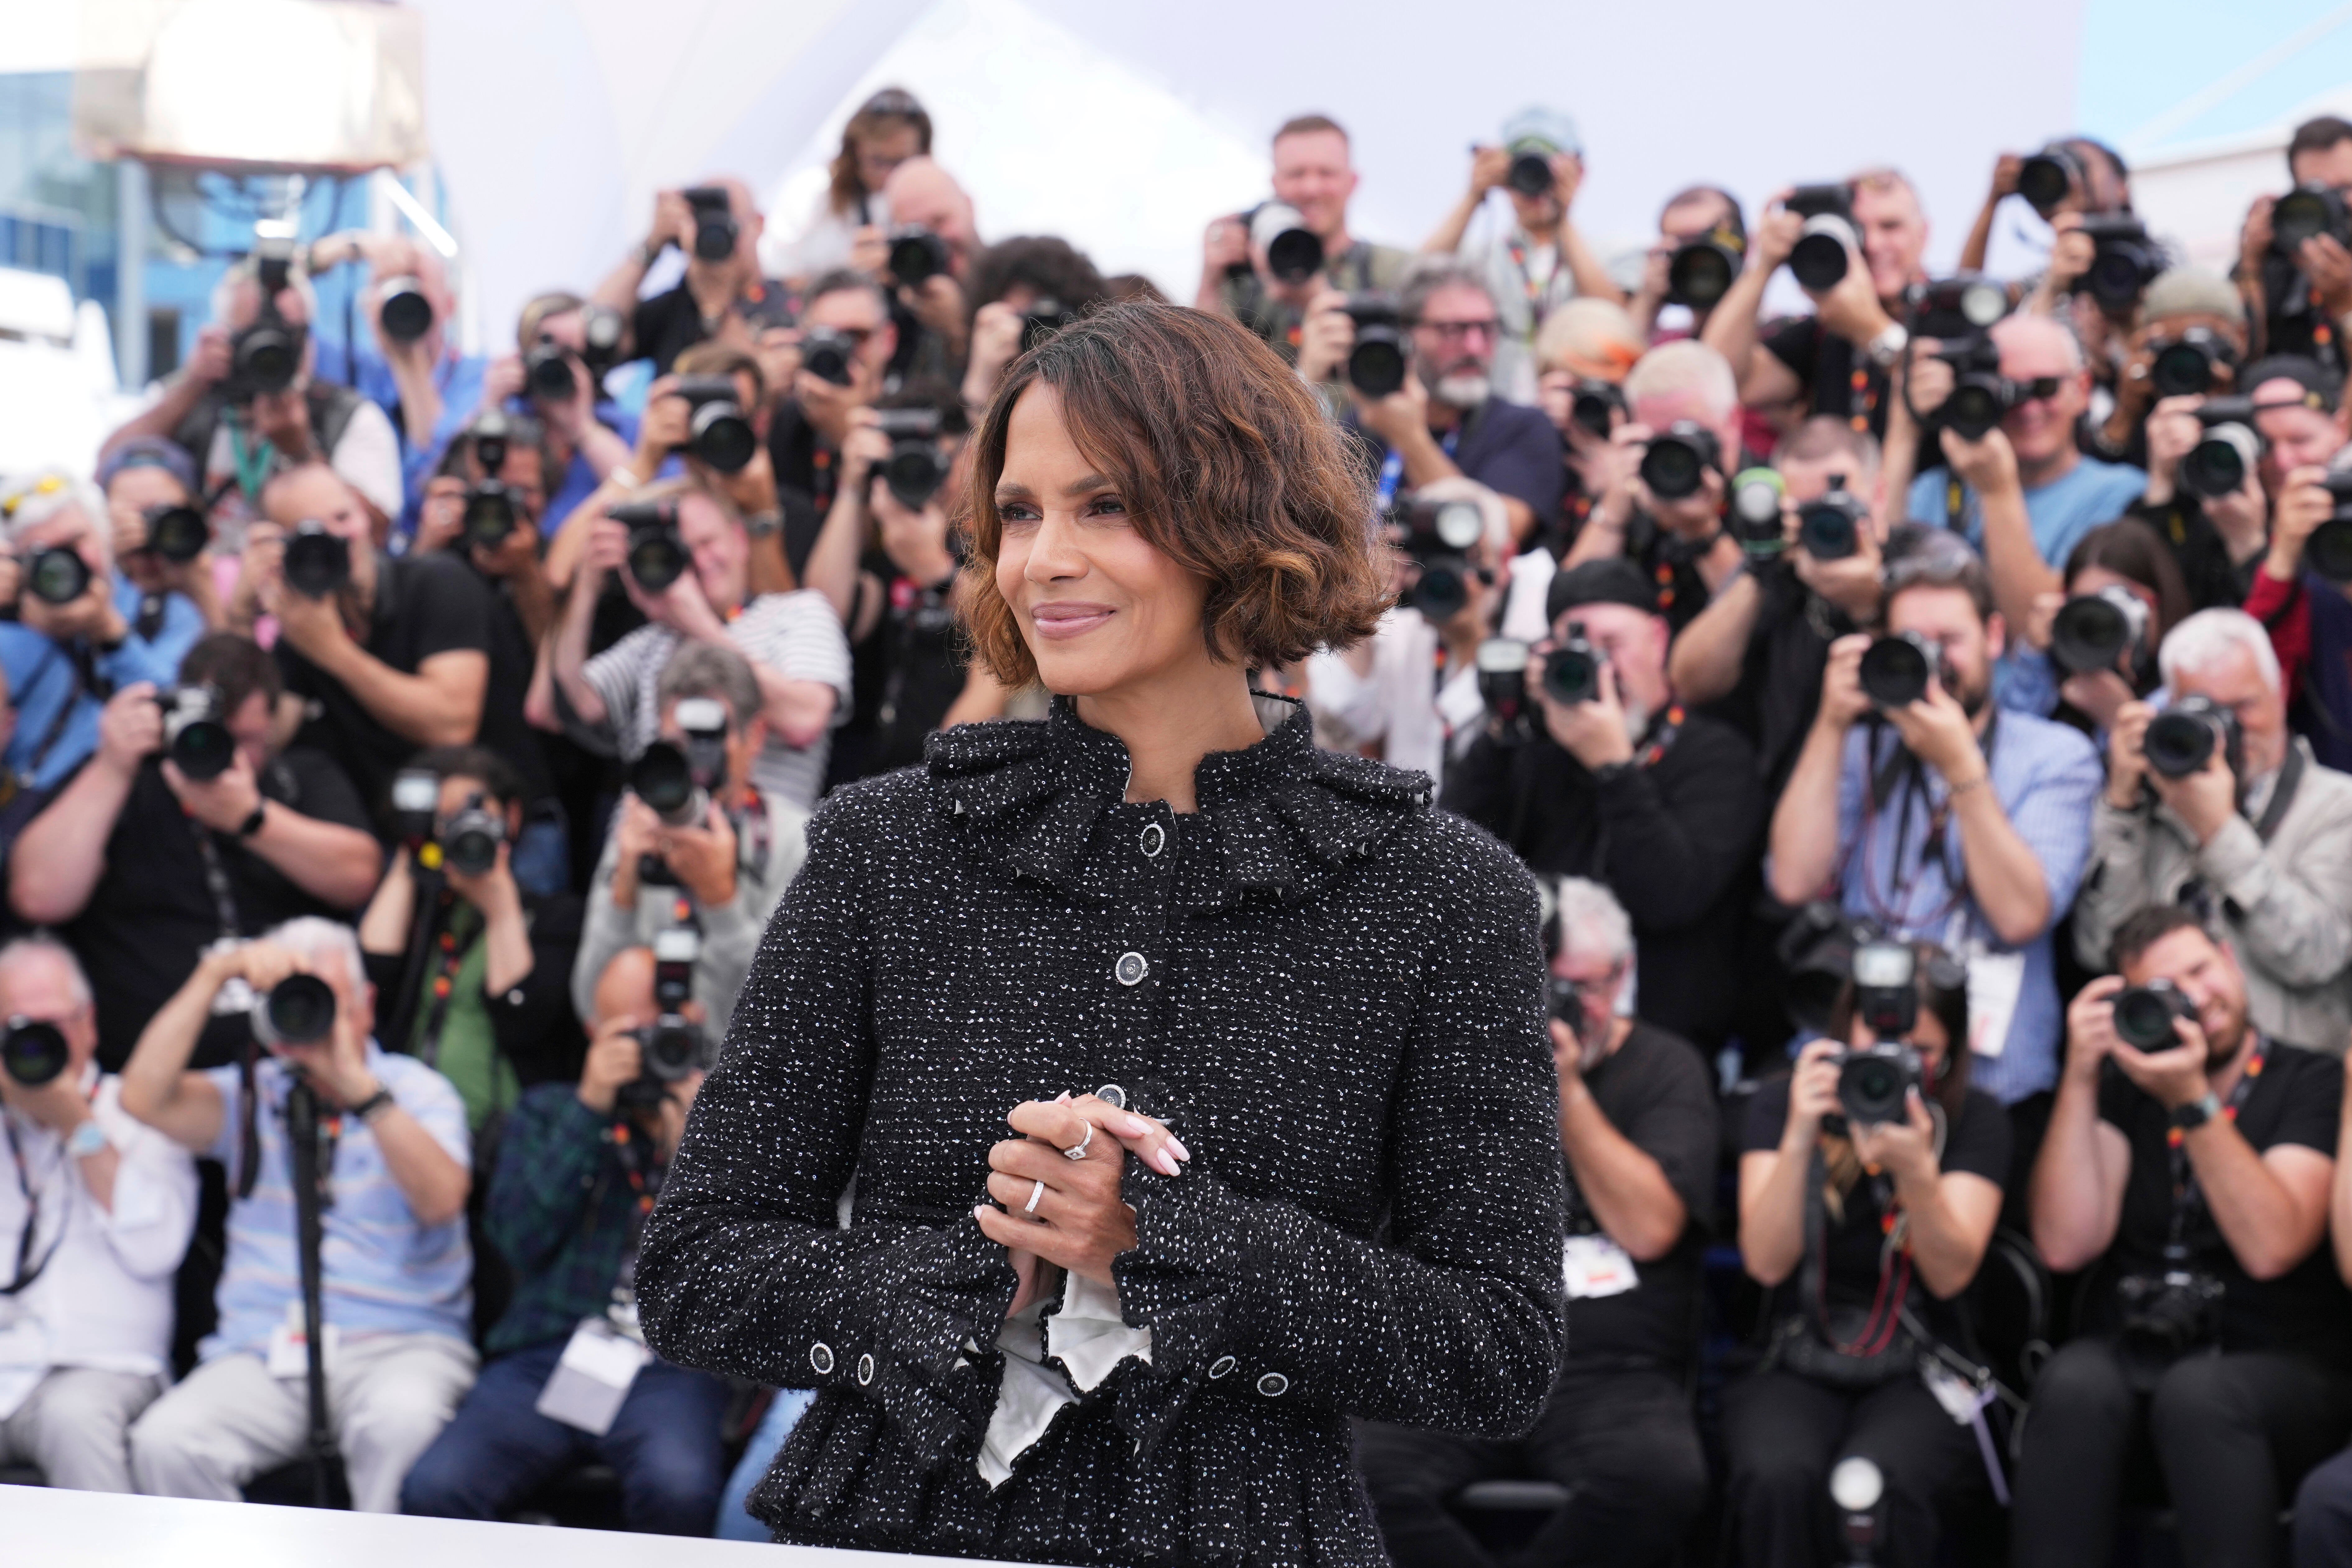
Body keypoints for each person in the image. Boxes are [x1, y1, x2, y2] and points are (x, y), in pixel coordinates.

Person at [631, 302, 1565, 1563]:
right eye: (1020, 512)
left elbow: (1499, 1352)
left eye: (1106, 507)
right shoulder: (885, 848)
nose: (1042, 559)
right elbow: (694, 1267)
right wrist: (960, 1280)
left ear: (1243, 521)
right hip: (891, 1533)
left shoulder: (1445, 898)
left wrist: (1170, 1241)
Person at [1356, 878, 1712, 1568]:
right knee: (1359, 1476)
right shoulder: (1454, 1054)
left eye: (1579, 987)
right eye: (1538, 984)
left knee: (1659, 1481)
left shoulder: (1665, 1069)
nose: (1556, 1007)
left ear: (1622, 977)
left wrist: (1567, 1091)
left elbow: (1651, 1231)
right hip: (1462, 1348)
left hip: (1611, 1370)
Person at [2019, 907, 2350, 1568]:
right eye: (2166, 990)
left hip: (2276, 1359)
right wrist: (2082, 1075)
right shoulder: (2124, 1088)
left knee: (2200, 1397)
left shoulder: (2309, 1079)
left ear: (2231, 960)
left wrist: (2192, 1101)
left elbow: (2273, 1245)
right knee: (2071, 1381)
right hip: (2139, 1347)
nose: (2197, 999)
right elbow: (2064, 1244)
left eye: (2201, 970)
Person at [122, 917, 476, 1515]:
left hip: (399, 1344)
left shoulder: (417, 1091)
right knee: (167, 1441)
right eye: (295, 998)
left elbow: (442, 1199)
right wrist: (216, 975)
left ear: (365, 1003)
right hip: (264, 1348)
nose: (311, 1014)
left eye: (326, 997)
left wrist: (359, 1090)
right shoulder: (255, 1091)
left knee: (401, 1425)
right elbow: (143, 1098)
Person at [400, 946, 729, 1535]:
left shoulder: (724, 1119)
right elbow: (519, 1240)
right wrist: (589, 1110)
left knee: (680, 1487)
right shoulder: (550, 1112)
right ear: (592, 1032)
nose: (646, 1045)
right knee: (435, 1486)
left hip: (672, 1361)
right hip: (547, 1352)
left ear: (695, 1021)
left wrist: (695, 1149)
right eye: (626, 1030)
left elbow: (746, 1265)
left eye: (660, 1026)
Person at [1767, 533, 2103, 1106]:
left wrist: (1962, 770)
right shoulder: (1859, 747)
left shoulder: (2057, 755)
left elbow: (2021, 915)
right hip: (1855, 1065)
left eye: (1950, 640)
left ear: (1994, 637)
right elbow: (1793, 881)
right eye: (1912, 643)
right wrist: (1829, 724)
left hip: (1990, 1084)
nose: (1932, 660)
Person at [1728, 942, 2008, 1568]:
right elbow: (1766, 1263)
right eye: (1876, 1042)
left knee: (1884, 1480)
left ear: (1950, 1054)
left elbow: (1950, 1274)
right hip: (1795, 1352)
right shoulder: (1782, 1103)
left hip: (1922, 1359)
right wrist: (1803, 1132)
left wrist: (1917, 1173)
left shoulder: (1972, 1119)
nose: (1890, 1064)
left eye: (1918, 1052)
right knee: (1778, 1475)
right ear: (1842, 1031)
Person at [9, 633, 381, 1071]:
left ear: (273, 727)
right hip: (148, 1083)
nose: (224, 755)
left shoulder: (300, 778)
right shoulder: (124, 783)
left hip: (296, 1064)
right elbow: (38, 896)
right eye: (211, 734)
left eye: (246, 740)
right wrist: (111, 766)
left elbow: (358, 877)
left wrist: (255, 820)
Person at [1443, 558, 1764, 1051]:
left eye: (1612, 646)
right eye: (1577, 651)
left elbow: (1671, 896)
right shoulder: (1535, 748)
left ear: (1659, 639)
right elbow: (1454, 857)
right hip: (1524, 1029)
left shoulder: (1717, 756)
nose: (1598, 669)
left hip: (1663, 1042)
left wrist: (1612, 767)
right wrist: (1508, 725)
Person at [2075, 610, 2352, 1054]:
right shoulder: (2155, 807)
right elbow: (2102, 950)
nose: (2230, 732)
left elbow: (2314, 957)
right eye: (2203, 711)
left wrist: (2218, 831)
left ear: (2280, 692)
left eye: (2243, 706)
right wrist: (2121, 807)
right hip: (2165, 1078)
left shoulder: (2339, 808)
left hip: (2296, 1090)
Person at [0, 937, 198, 1494]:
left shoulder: (141, 1109)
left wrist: (79, 1127)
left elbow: (156, 1247)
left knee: (74, 1419)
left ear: (88, 1024)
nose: (40, 1043)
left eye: (54, 1024)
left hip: (108, 1366)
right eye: (18, 1027)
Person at [546, 474, 851, 811]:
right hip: (653, 837)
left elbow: (804, 720)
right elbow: (577, 700)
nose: (702, 563)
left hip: (763, 848)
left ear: (740, 539)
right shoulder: (655, 639)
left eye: (708, 543)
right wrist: (587, 586)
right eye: (685, 552)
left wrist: (700, 625)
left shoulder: (797, 613)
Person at [570, 643, 809, 1044]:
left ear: (755, 737)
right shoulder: (641, 829)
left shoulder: (798, 843)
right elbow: (591, 1006)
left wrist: (721, 903)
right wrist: (623, 893)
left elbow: (787, 1020)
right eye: (680, 745)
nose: (699, 763)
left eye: (711, 739)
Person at [358, 746, 584, 1138]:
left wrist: (501, 909)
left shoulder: (557, 918)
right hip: (412, 1129)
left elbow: (523, 1021)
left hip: (498, 1137)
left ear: (511, 818)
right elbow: (373, 973)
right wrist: (411, 854)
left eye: (472, 814)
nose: (460, 830)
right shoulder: (424, 910)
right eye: (443, 819)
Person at [97, 250, 403, 533]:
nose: (272, 355)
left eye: (288, 337)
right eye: (254, 337)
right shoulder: (192, 401)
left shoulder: (348, 416)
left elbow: (374, 534)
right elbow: (105, 474)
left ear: (311, 338)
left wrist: (302, 453)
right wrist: (191, 385)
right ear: (225, 336)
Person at [249, 463, 491, 815]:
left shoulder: (438, 580)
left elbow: (452, 727)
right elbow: (261, 740)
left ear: (365, 516)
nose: (337, 538)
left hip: (495, 825)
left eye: (343, 517)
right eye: (311, 532)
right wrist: (240, 612)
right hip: (396, 833)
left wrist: (334, 652)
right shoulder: (304, 627)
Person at [797, 391, 1008, 786]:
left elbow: (1012, 629)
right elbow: (821, 615)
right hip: (864, 777)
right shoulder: (883, 544)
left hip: (946, 779)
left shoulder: (994, 548)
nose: (925, 475)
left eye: (938, 458)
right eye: (902, 460)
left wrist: (937, 571)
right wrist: (852, 488)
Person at [1668, 416, 1888, 793]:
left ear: (1878, 495)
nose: (1823, 523)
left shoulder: (1918, 558)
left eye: (1838, 503)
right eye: (1804, 510)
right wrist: (1762, 569)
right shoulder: (1772, 571)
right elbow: (1691, 682)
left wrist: (1871, 605)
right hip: (1783, 790)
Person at [1894, 314, 2149, 635]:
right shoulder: (1935, 489)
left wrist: (1997, 492)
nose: (2028, 408)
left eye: (2045, 388)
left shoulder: (2123, 494)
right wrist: (1904, 424)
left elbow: (2040, 629)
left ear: (2082, 390)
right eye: (2008, 391)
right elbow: (1878, 584)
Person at [1314, 261, 1566, 546]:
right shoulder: (1360, 425)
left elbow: (1498, 539)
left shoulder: (1523, 427)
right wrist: (1307, 377)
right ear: (1406, 334)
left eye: (1486, 328)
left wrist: (1410, 438)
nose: (1474, 347)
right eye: (1453, 330)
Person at [1306, 480, 1509, 786]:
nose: (1447, 574)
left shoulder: (1528, 630)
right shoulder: (1400, 631)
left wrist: (1471, 639)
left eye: (1469, 558)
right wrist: (1365, 597)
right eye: (1431, 558)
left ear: (1503, 561)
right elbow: (1344, 715)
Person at [1704, 170, 1933, 439]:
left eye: (1890, 226)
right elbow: (1717, 382)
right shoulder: (1825, 330)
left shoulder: (1957, 311)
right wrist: (1763, 266)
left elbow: (1948, 395)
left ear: (1924, 234)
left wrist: (1872, 331)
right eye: (1858, 229)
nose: (1872, 244)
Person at [1420, 107, 1622, 405]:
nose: (1536, 180)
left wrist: (1563, 218)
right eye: (1523, 166)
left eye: (1547, 166)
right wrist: (1473, 196)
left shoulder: (1608, 254)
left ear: (1578, 172)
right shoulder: (1481, 254)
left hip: (1580, 413)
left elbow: (1615, 321)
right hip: (1494, 416)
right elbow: (1417, 280)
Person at [0, 471, 182, 792]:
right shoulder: (12, 630)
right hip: (43, 812)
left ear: (105, 536)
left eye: (74, 544)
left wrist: (107, 629)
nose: (63, 566)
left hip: (152, 801)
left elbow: (178, 708)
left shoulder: (166, 611)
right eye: (42, 556)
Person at [302, 230, 487, 539]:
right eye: (386, 287)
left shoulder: (478, 379)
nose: (402, 299)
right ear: (367, 306)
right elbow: (265, 308)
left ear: (450, 304)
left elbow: (437, 472)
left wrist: (407, 363)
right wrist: (348, 248)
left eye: (415, 282)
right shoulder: (350, 367)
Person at [1560, 338, 1749, 635]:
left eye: (1688, 435)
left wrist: (1701, 533)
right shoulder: (1636, 490)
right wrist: (1613, 507)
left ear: (1733, 423)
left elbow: (1763, 628)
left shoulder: (1766, 494)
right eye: (1657, 442)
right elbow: (1566, 613)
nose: (1672, 459)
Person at [1198, 115, 1416, 363]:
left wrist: (1316, 299)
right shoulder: (1244, 272)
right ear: (1276, 184)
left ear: (1352, 182)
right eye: (1296, 174)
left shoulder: (1394, 270)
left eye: (1326, 173)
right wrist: (1210, 280)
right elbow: (1206, 371)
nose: (1311, 188)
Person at [2112, 271, 2263, 612]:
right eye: (2169, 348)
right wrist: (2159, 483)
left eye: (2201, 340)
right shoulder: (2145, 423)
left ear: (2239, 336)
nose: (2186, 361)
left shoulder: (2263, 401)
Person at [2244, 376, 2352, 773]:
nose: (2284, 461)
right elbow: (2256, 685)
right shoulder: (2309, 577)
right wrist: (2284, 555)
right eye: (2269, 446)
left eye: (2300, 441)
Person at [1999, 516, 2189, 726]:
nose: (2099, 620)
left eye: (2115, 603)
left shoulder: (2184, 686)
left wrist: (2119, 716)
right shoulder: (2058, 679)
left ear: (2157, 603)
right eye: (2086, 606)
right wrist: (2035, 658)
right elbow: (2006, 742)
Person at [594, 179, 783, 376]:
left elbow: (761, 385)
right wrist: (652, 245)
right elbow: (596, 325)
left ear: (758, 224)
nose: (715, 236)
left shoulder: (786, 303)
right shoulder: (679, 303)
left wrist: (715, 310)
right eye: (703, 225)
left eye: (727, 225)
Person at [767, 87, 930, 285]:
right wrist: (849, 276)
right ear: (855, 150)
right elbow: (777, 280)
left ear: (922, 155)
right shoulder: (811, 195)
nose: (889, 175)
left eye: (900, 163)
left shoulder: (934, 205)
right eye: (878, 161)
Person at [2239, 115, 2352, 371]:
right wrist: (2250, 263)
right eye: (2316, 191)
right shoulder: (2279, 257)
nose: (2332, 203)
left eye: (2344, 188)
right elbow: (2242, 358)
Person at [98, 438, 222, 668]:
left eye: (163, 513)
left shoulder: (226, 578)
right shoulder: (93, 583)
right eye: (133, 513)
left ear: (192, 511)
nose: (148, 529)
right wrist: (103, 561)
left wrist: (202, 591)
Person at [959, 237, 1113, 412]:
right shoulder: (958, 374)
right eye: (1026, 319)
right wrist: (981, 383)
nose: (1040, 335)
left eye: (1053, 321)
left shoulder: (1108, 382)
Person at [876, 156, 983, 380]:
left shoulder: (1017, 280)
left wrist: (958, 331)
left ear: (969, 207)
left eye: (940, 221)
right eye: (916, 231)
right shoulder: (897, 310)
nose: (935, 242)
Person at [1626, 185, 1748, 342]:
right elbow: (1621, 359)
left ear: (1746, 245)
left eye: (1704, 240)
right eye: (1680, 244)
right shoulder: (1666, 346)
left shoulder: (1780, 340)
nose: (1696, 258)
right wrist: (1648, 301)